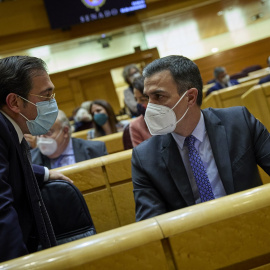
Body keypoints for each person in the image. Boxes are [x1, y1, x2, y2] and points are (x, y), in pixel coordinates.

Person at [131, 55, 270, 221]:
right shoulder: (144, 157)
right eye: (147, 98)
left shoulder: (240, 122)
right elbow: (150, 227)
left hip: (254, 226)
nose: (150, 107)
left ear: (190, 97)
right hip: (192, 241)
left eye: (158, 96)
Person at [0, 56, 72, 262]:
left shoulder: (10, 128)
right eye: (46, 96)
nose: (53, 103)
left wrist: (44, 173)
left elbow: (7, 169)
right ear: (14, 102)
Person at [31, 110, 107, 169]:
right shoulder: (30, 159)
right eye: (38, 133)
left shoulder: (96, 150)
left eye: (47, 132)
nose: (41, 138)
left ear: (65, 131)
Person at [129, 76, 152, 147]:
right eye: (136, 99)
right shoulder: (136, 125)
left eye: (142, 100)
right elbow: (143, 155)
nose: (138, 104)